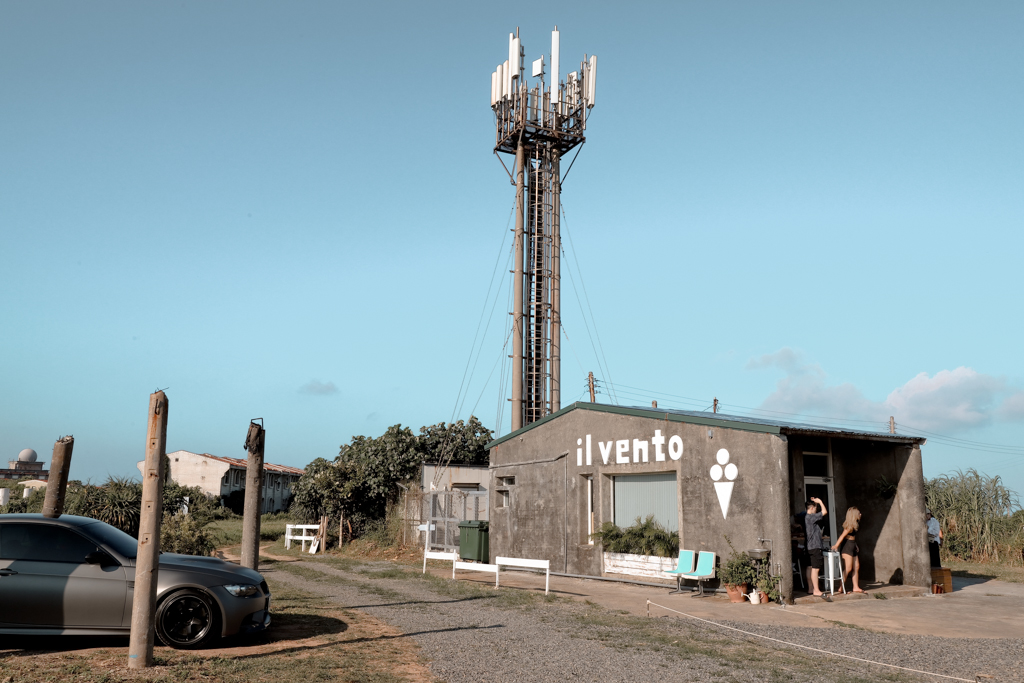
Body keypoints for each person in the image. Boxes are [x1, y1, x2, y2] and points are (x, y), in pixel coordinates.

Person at [832, 507, 864, 593]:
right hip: (847, 547)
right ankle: (841, 587)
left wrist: (855, 545)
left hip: (852, 545)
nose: (860, 514)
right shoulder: (849, 527)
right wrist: (836, 545)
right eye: (858, 513)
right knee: (848, 568)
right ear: (854, 515)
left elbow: (852, 537)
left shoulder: (855, 525)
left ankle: (856, 587)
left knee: (856, 566)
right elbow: (842, 536)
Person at [803, 497, 828, 597]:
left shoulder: (807, 517)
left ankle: (810, 588)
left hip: (810, 546)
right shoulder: (811, 517)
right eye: (816, 507)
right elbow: (824, 511)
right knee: (815, 569)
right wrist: (820, 501)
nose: (816, 509)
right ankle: (816, 590)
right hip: (815, 546)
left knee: (810, 568)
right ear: (812, 507)